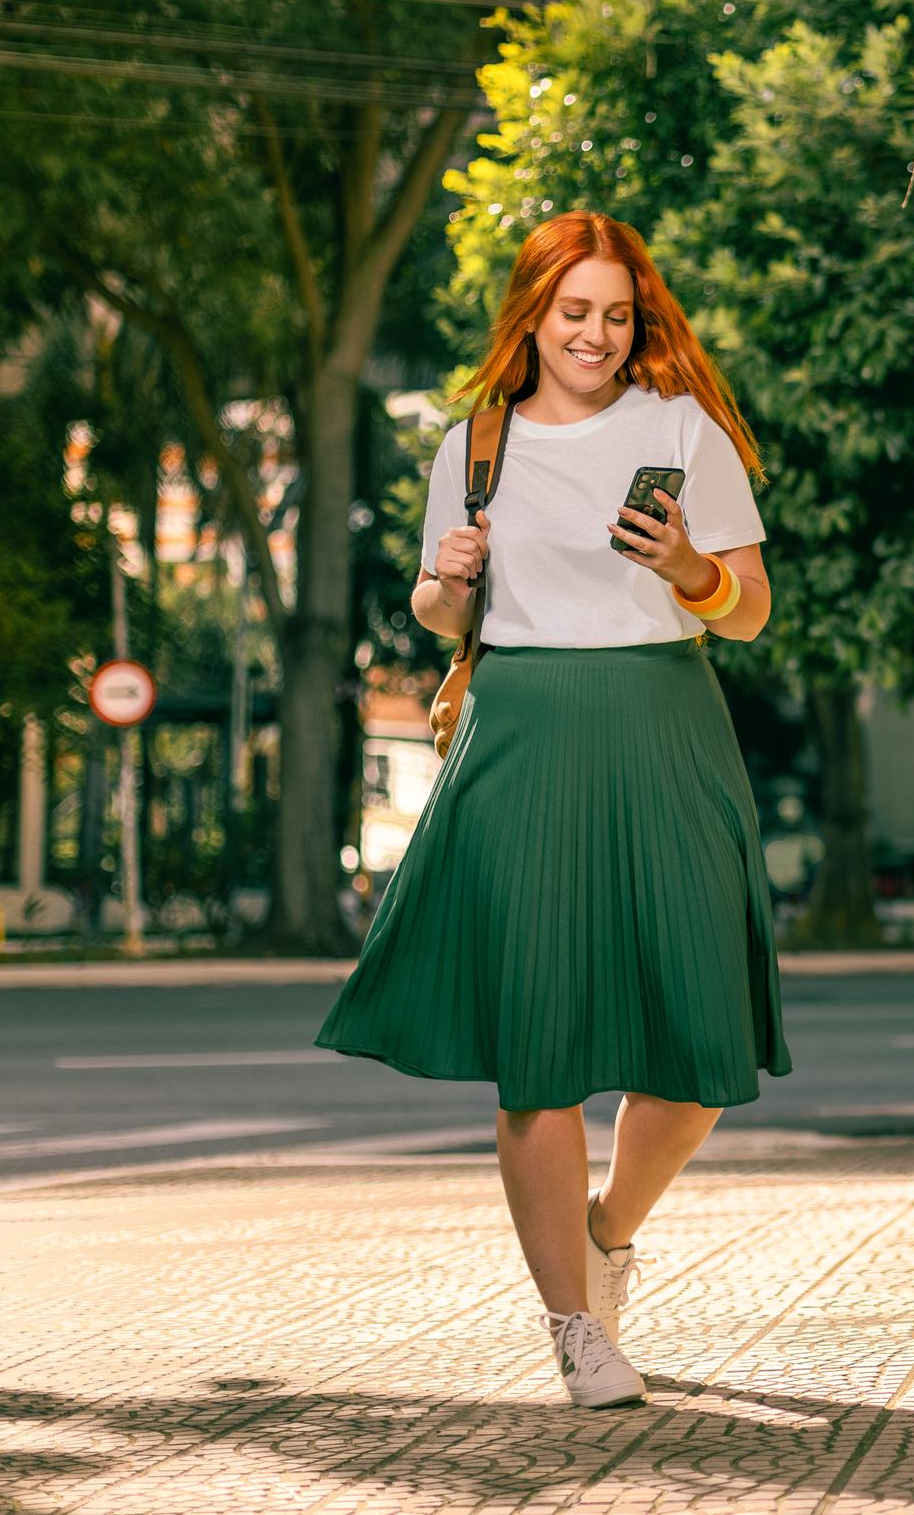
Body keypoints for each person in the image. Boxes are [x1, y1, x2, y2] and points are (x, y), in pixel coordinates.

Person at [314, 210, 790, 1408]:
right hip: (521, 733)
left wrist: (690, 569)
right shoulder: (474, 446)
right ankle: (575, 1324)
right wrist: (443, 584)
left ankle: (607, 1232)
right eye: (574, 310)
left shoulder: (683, 429)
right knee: (539, 1053)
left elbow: (749, 610)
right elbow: (440, 609)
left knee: (699, 1048)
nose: (596, 333)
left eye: (617, 313)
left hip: (664, 724)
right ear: (533, 314)